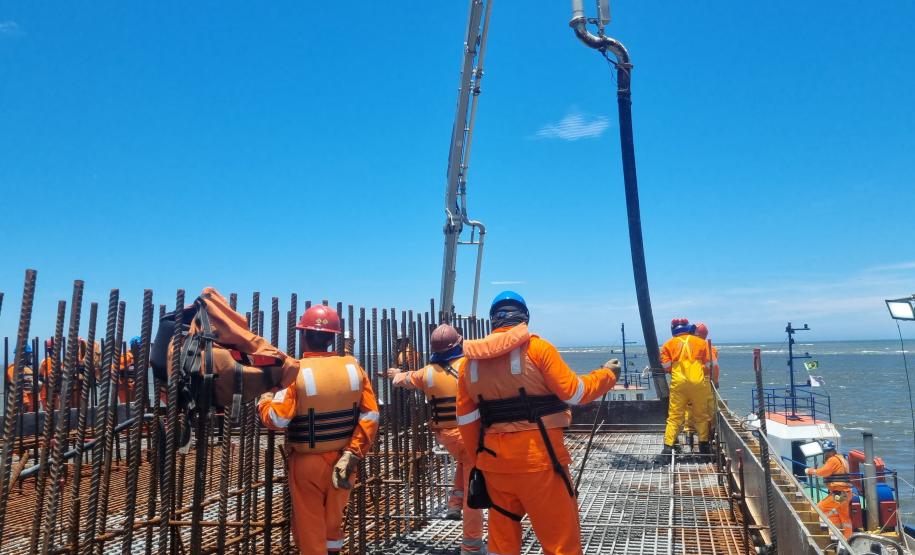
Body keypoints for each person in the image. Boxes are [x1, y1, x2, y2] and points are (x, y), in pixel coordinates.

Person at [456, 291, 620, 555]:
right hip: (541, 463)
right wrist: (607, 375)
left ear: (493, 321)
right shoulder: (537, 348)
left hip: (495, 466)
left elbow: (465, 420)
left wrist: (479, 463)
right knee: (560, 543)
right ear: (524, 318)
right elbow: (575, 392)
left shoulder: (469, 364)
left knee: (501, 543)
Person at [258, 304, 379, 555]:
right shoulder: (353, 368)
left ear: (303, 335)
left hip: (308, 464)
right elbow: (371, 414)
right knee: (333, 522)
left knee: (309, 525)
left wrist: (265, 398)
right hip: (345, 460)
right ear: (332, 337)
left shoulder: (296, 372)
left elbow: (277, 419)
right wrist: (353, 452)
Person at [387, 323, 484, 555]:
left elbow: (404, 379)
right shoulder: (469, 367)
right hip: (469, 434)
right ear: (458, 343)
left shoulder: (427, 373)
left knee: (464, 461)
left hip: (446, 436)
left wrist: (395, 374)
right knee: (476, 488)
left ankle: (454, 503)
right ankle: (471, 545)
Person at [659, 318, 711, 458]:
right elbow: (708, 366)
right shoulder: (702, 343)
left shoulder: (667, 345)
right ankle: (704, 447)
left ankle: (667, 449)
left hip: (679, 384)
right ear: (688, 328)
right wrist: (698, 374)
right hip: (698, 383)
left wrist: (675, 371)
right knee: (701, 416)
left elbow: (666, 367)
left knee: (675, 417)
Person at [805, 440, 853, 539]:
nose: (825, 454)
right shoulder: (842, 459)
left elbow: (823, 472)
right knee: (844, 517)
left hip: (840, 494)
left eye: (826, 452)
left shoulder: (833, 460)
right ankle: (848, 538)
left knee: (819, 508)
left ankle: (827, 533)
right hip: (847, 493)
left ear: (831, 452)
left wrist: (810, 471)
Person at [681, 322, 719, 445]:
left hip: (688, 382)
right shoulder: (708, 347)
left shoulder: (687, 345)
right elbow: (715, 367)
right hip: (705, 382)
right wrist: (715, 382)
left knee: (689, 409)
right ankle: (706, 441)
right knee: (707, 411)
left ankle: (689, 438)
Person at [5, 344, 41, 412]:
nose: (31, 357)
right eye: (29, 355)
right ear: (24, 356)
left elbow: (34, 387)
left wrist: (38, 401)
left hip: (32, 406)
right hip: (21, 406)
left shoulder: (28, 369)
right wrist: (25, 402)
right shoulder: (13, 369)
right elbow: (17, 387)